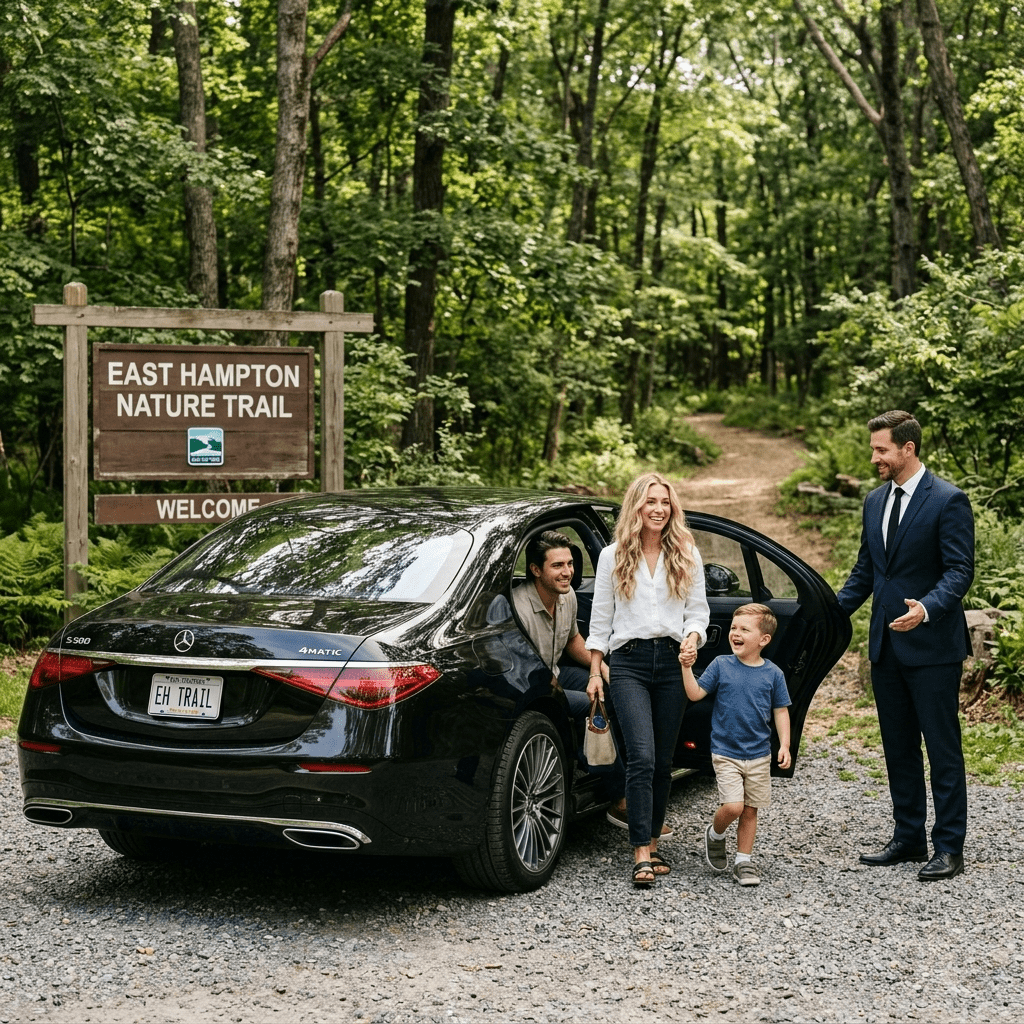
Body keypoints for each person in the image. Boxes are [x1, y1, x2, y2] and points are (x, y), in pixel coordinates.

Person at [836, 411, 974, 881]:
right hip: (886, 648)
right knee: (897, 747)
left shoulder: (949, 500)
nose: (874, 457)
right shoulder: (874, 502)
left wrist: (927, 608)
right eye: (873, 449)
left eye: (881, 449)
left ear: (907, 449)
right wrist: (826, 612)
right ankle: (909, 837)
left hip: (934, 646)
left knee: (941, 747)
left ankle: (949, 846)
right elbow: (867, 574)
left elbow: (959, 571)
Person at [586, 472, 709, 887]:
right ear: (635, 506)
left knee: (663, 760)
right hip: (629, 663)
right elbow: (600, 620)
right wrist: (594, 672)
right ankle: (640, 852)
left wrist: (692, 638)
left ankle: (654, 842)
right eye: (650, 501)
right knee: (641, 754)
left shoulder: (686, 552)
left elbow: (698, 611)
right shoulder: (612, 555)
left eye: (665, 502)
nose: (658, 509)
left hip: (673, 664)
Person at [678, 604, 791, 887]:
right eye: (733, 628)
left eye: (744, 629)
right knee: (734, 806)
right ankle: (715, 833)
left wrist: (785, 745)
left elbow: (781, 711)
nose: (735, 633)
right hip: (726, 752)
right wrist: (686, 667)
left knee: (751, 809)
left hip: (759, 754)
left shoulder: (773, 674)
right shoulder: (721, 665)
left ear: (763, 640)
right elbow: (694, 694)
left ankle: (744, 860)